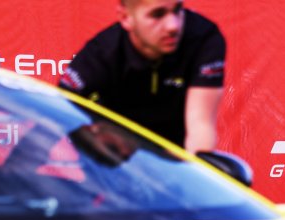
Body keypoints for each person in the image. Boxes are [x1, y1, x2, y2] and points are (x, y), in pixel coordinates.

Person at [58, 0, 226, 155]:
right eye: (157, 15)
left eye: (177, 10)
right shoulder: (101, 54)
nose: (173, 26)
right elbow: (59, 118)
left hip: (175, 153)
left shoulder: (204, 38)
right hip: (117, 155)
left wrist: (192, 171)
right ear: (126, 18)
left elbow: (200, 126)